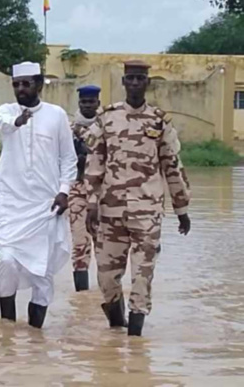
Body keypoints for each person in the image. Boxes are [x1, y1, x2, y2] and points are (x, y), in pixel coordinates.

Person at [85, 60, 191, 337]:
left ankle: (135, 338)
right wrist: (90, 201)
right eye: (130, 78)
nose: (134, 83)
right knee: (107, 278)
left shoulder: (159, 121)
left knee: (142, 274)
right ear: (123, 82)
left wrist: (182, 209)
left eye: (139, 79)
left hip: (147, 211)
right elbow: (95, 162)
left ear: (147, 83)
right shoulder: (107, 118)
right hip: (111, 210)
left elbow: (172, 165)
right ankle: (115, 327)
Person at [0, 61, 78, 329]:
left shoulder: (56, 115)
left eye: (26, 83)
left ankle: (34, 336)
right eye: (16, 84)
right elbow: (4, 125)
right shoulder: (6, 111)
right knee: (6, 262)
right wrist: (18, 121)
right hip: (11, 206)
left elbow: (69, 158)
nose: (20, 88)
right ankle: (7, 330)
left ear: (39, 85)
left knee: (42, 273)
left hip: (46, 206)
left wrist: (64, 192)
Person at [69, 85, 102, 292]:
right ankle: (81, 298)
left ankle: (105, 294)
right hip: (77, 189)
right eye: (84, 102)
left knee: (105, 245)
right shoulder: (69, 129)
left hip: (102, 191)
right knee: (80, 244)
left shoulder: (107, 126)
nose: (87, 105)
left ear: (98, 103)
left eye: (91, 102)